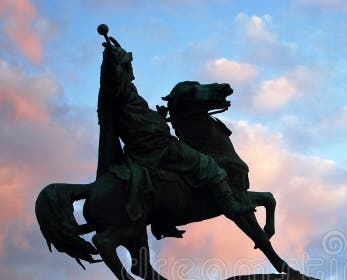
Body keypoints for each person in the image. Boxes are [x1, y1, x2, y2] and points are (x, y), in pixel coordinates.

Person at [97, 40, 252, 219]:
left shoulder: (129, 92)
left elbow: (139, 119)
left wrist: (158, 118)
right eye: (127, 64)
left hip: (156, 143)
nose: (131, 69)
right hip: (158, 147)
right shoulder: (118, 91)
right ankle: (231, 205)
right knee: (209, 164)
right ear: (119, 67)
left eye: (129, 64)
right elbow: (110, 81)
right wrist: (109, 58)